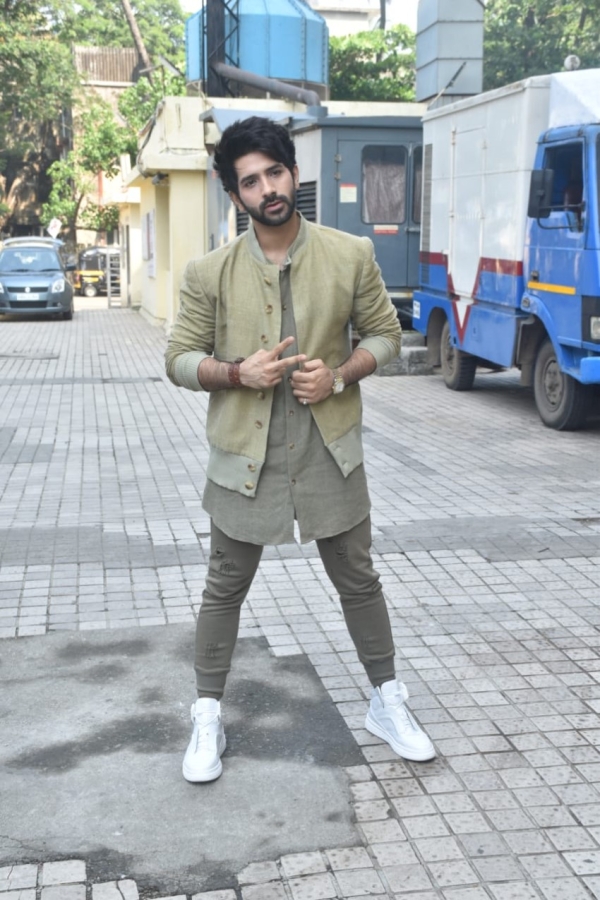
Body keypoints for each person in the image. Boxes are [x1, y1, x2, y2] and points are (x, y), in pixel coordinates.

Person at [165, 116, 435, 783]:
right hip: (245, 459)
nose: (268, 189)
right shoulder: (208, 272)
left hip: (328, 453)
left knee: (359, 579)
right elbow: (179, 359)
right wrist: (237, 373)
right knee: (224, 586)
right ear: (236, 195)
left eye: (275, 173)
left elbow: (386, 335)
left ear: (293, 173)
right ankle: (207, 715)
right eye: (251, 181)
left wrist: (338, 375)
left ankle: (386, 701)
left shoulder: (351, 255)